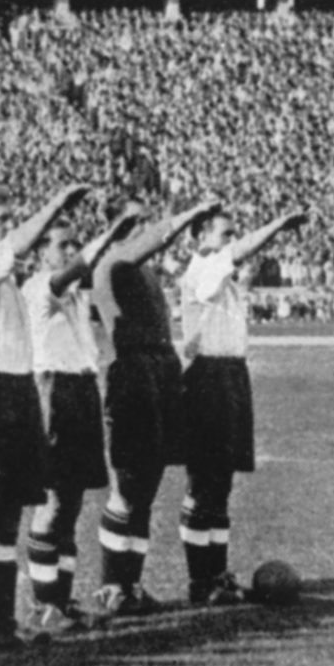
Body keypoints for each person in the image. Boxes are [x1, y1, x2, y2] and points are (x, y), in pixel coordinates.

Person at [0, 183, 91, 650]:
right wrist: (52, 207)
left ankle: (3, 620)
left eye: (12, 218)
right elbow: (17, 248)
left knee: (9, 514)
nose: (8, 226)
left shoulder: (1, 276)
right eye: (0, 219)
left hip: (17, 389)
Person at [90, 194, 222, 614]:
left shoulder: (141, 267)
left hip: (160, 372)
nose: (148, 229)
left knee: (147, 484)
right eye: (138, 222)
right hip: (132, 374)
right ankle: (113, 585)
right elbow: (151, 242)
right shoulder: (112, 262)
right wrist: (187, 216)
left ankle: (130, 585)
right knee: (128, 484)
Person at [177, 207, 308, 602]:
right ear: (201, 236)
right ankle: (201, 580)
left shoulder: (223, 276)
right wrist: (278, 225)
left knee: (221, 485)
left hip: (231, 377)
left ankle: (217, 574)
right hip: (208, 379)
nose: (232, 241)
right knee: (205, 484)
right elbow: (238, 252)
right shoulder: (202, 269)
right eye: (224, 234)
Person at [23, 211, 138, 630]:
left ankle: (62, 599)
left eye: (74, 243)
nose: (70, 251)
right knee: (51, 502)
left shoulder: (73, 291)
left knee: (71, 504)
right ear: (39, 254)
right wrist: (107, 236)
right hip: (53, 390)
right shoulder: (39, 287)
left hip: (82, 389)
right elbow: (76, 271)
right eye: (61, 245)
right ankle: (44, 604)